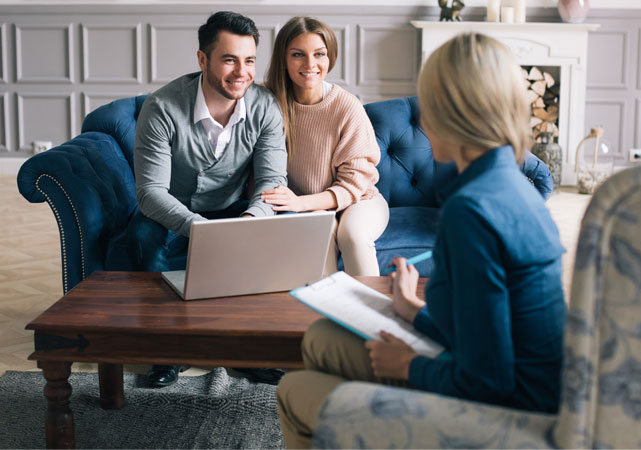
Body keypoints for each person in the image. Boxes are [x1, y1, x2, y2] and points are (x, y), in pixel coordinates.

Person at [276, 32, 566, 448]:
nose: (423, 121)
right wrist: (415, 312)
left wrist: (408, 366)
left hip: (512, 415)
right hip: (521, 386)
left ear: (453, 112)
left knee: (293, 392)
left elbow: (489, 381)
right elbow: (488, 331)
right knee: (322, 338)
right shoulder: (508, 183)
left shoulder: (472, 211)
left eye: (427, 103)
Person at [132, 11, 287, 387]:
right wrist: (201, 230)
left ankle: (249, 351)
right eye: (229, 59)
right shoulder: (162, 107)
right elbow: (150, 192)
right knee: (145, 245)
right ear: (203, 59)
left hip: (235, 211)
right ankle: (166, 353)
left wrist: (249, 223)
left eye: (249, 60)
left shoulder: (265, 106)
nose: (242, 72)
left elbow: (272, 181)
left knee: (264, 250)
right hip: (170, 210)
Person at [263, 17, 389, 277]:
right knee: (319, 232)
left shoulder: (346, 106)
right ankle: (328, 312)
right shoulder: (267, 102)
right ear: (283, 59)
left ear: (330, 57)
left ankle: (373, 315)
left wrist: (299, 203)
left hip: (359, 199)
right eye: (298, 54)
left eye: (319, 54)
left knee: (353, 235)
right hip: (309, 205)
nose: (310, 64)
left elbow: (354, 186)